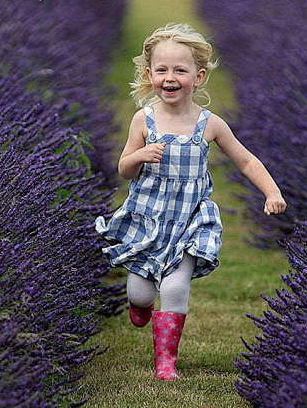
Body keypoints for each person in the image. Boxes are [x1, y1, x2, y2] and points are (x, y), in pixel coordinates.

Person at [95, 22, 287, 381]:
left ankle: (165, 360)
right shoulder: (144, 119)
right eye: (162, 70)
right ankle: (141, 305)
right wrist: (140, 156)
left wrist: (272, 191)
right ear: (149, 74)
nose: (170, 77)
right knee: (138, 292)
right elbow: (123, 168)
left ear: (198, 77)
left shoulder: (209, 123)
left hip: (190, 218)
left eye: (179, 70)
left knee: (175, 286)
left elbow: (246, 160)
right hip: (148, 217)